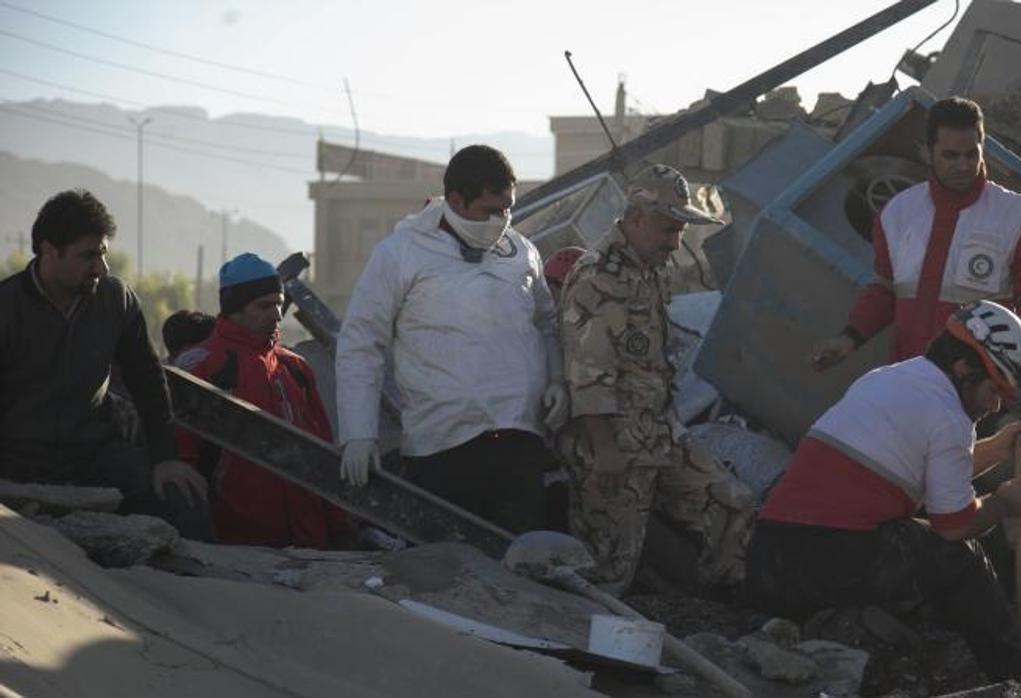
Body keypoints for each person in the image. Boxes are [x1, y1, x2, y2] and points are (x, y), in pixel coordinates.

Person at [747, 301, 1021, 682]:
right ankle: (1015, 677)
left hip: (769, 561)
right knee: (954, 556)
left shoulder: (889, 379)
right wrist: (1003, 503)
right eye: (994, 390)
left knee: (911, 537)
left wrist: (998, 449)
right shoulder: (948, 416)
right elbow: (953, 524)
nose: (996, 406)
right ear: (964, 369)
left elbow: (928, 472)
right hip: (824, 560)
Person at [335, 145, 563, 534]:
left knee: (521, 565)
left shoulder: (521, 252)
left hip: (520, 439)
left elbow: (546, 322)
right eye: (489, 210)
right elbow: (361, 343)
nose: (500, 220)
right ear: (455, 201)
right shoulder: (401, 254)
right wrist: (358, 433)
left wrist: (557, 378)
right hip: (443, 447)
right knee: (447, 566)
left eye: (507, 208)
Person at [559, 164, 755, 594]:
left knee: (730, 502)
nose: (676, 242)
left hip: (660, 432)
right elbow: (587, 376)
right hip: (612, 446)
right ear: (635, 220)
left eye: (681, 230)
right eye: (668, 229)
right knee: (607, 572)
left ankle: (719, 605)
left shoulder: (648, 268)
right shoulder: (600, 279)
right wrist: (606, 450)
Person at [811, 97, 1021, 415]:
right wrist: (849, 338)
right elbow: (884, 291)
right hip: (906, 382)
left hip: (974, 395)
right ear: (925, 152)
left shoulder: (1020, 217)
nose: (962, 164)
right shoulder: (897, 213)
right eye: (950, 155)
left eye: (971, 153)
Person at [0, 189, 209, 532]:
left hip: (93, 453)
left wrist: (166, 457)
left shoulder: (115, 300)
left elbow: (147, 379)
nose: (102, 267)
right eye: (88, 256)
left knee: (182, 495)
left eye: (103, 253)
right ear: (50, 252)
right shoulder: (7, 307)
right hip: (18, 457)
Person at [174, 253, 352, 548]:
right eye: (264, 306)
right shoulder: (202, 366)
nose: (277, 315)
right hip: (237, 547)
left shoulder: (296, 368)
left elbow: (323, 452)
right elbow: (183, 458)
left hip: (310, 546)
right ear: (234, 309)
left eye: (279, 304)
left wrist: (340, 528)